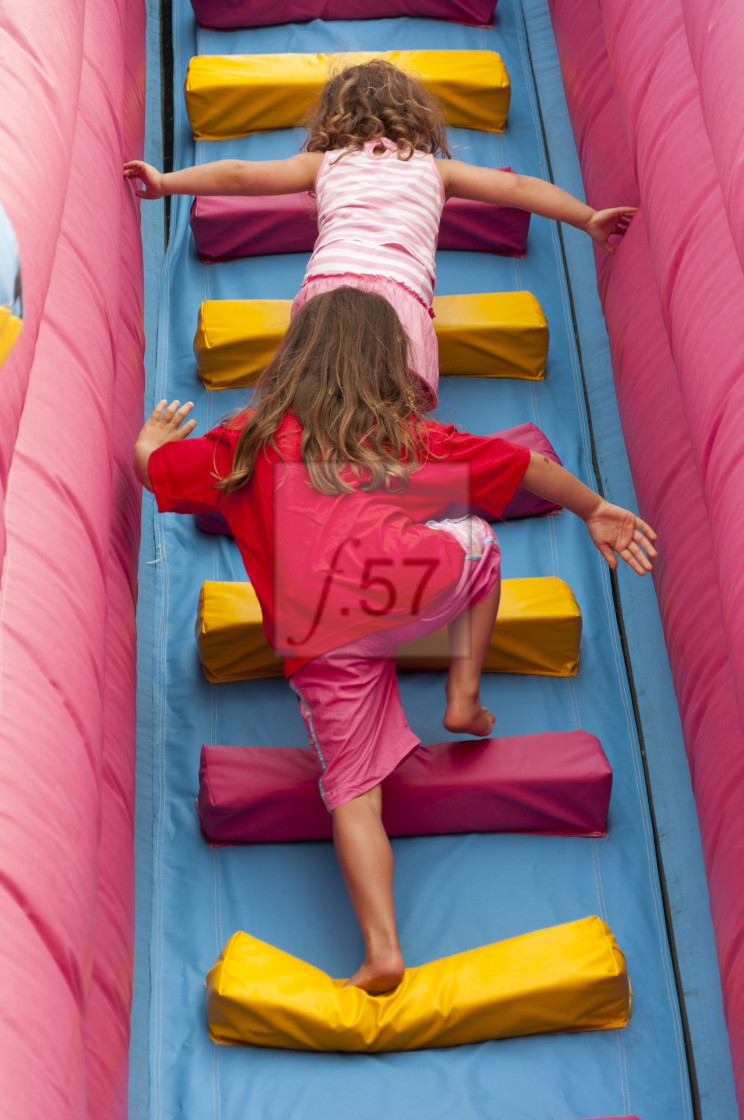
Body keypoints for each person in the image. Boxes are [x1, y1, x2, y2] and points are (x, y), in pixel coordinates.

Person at [134, 288, 656, 995]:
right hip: (404, 588)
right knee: (478, 540)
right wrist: (594, 508)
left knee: (352, 793)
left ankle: (382, 949)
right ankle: (462, 695)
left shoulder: (247, 440)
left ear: (292, 361)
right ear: (385, 364)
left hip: (316, 634)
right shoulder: (396, 433)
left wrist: (151, 443)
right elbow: (520, 465)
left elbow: (154, 474)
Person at [124, 58, 636, 406]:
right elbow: (520, 188)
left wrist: (167, 182)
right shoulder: (437, 172)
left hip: (328, 288)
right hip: (400, 297)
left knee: (317, 395)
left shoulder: (326, 162)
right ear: (416, 118)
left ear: (333, 118)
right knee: (396, 408)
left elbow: (238, 176)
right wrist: (585, 217)